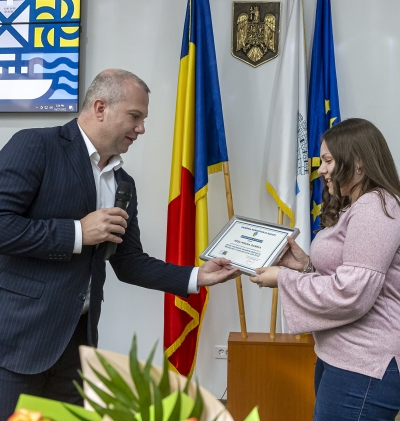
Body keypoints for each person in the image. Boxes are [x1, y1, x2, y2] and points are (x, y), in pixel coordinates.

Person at [0, 69, 240, 418]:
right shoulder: (36, 144)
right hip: (17, 346)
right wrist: (78, 233)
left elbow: (129, 262)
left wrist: (197, 277)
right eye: (135, 116)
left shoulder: (123, 181)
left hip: (77, 348)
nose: (141, 128)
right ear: (100, 107)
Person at [250, 118, 400, 421]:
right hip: (344, 358)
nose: (321, 169)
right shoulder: (356, 206)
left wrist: (284, 278)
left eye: (329, 160)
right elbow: (349, 274)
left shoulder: (376, 208)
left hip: (365, 365)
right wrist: (304, 266)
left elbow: (353, 292)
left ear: (358, 162)